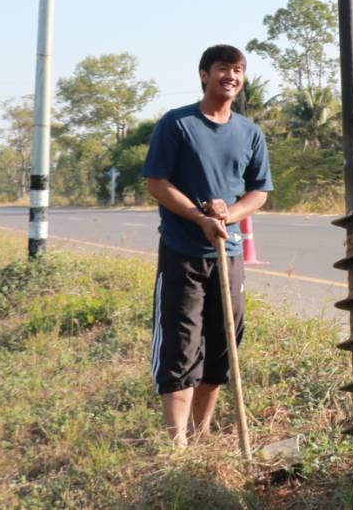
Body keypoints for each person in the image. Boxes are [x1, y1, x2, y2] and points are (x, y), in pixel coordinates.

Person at [143, 44, 272, 446]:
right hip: (182, 254)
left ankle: (201, 436)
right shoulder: (177, 124)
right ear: (204, 75)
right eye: (222, 68)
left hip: (228, 255)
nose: (231, 76)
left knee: (222, 347)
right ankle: (177, 445)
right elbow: (157, 182)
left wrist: (228, 216)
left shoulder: (249, 133)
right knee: (181, 347)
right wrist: (199, 218)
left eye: (237, 70)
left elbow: (259, 191)